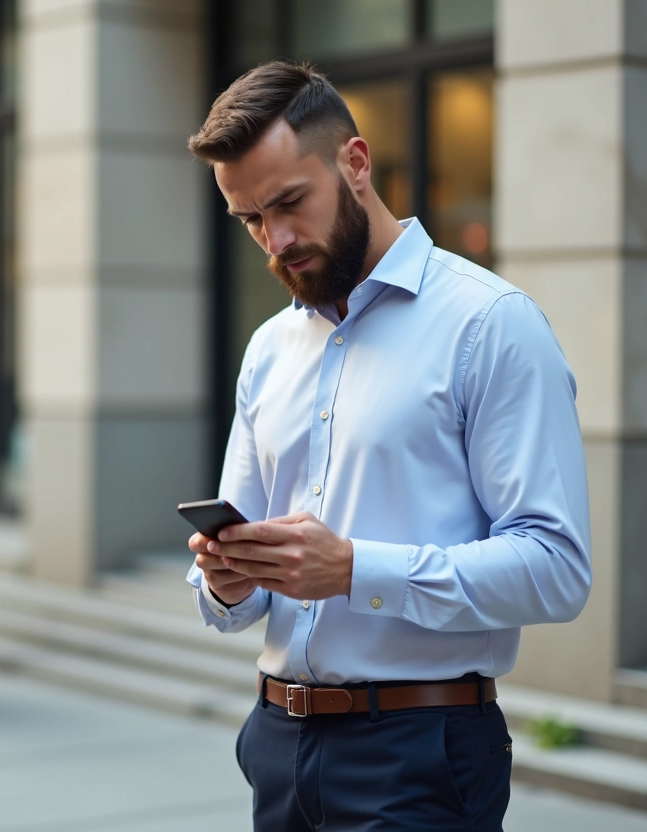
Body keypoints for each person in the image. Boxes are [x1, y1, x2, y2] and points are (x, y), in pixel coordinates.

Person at [185, 61, 592, 830]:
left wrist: (353, 569)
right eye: (250, 219)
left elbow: (557, 569)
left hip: (420, 752)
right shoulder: (269, 348)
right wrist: (228, 580)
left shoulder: (490, 324)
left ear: (356, 162)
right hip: (275, 745)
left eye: (289, 203)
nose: (276, 239)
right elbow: (236, 595)